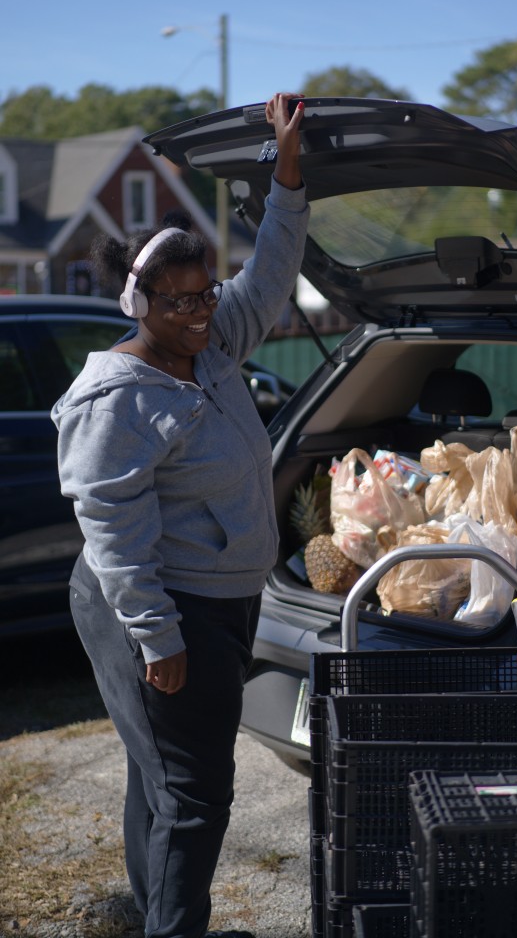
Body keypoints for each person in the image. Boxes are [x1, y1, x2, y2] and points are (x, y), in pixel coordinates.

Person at [51, 92, 309, 938]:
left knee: (159, 777)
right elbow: (112, 525)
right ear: (137, 304)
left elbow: (269, 273)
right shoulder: (114, 398)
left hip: (217, 600)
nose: (200, 314)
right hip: (157, 603)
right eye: (179, 303)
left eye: (205, 296)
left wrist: (288, 175)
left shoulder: (212, 343)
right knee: (197, 795)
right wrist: (157, 638)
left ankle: (162, 921)